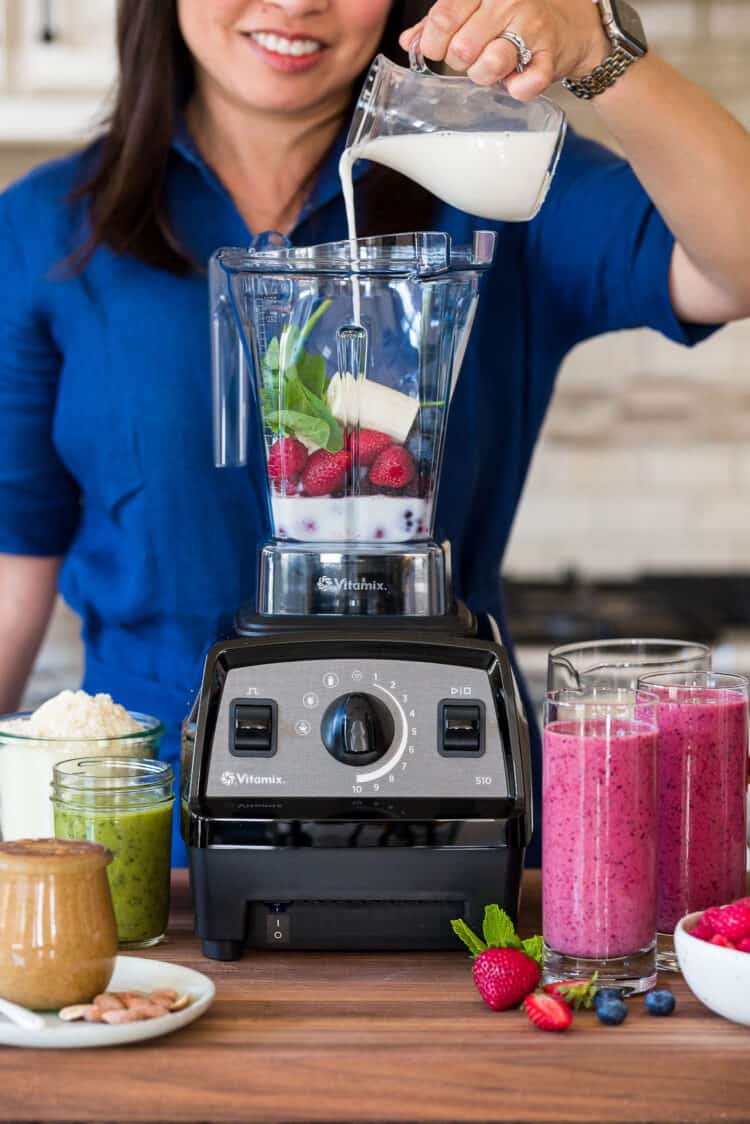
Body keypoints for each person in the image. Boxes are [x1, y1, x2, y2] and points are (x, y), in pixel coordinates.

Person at [1, 0, 748, 866]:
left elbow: (733, 268)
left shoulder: (493, 190)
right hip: (142, 838)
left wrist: (601, 51)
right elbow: (14, 564)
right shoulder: (42, 232)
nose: (295, 3)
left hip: (455, 816)